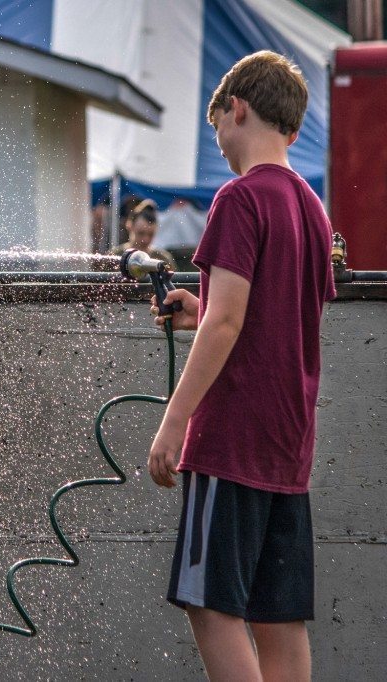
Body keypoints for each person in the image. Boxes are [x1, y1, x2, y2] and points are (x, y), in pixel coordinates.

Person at [146, 50, 335, 681]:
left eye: (219, 129)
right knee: (277, 616)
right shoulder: (311, 208)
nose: (221, 147)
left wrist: (174, 422)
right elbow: (273, 314)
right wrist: (201, 310)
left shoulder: (238, 199)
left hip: (231, 440)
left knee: (210, 603)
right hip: (288, 443)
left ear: (237, 108)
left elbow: (229, 324)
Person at [109, 199, 176, 268]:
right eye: (141, 233)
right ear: (129, 226)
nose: (145, 239)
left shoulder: (162, 259)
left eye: (151, 234)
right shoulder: (115, 256)